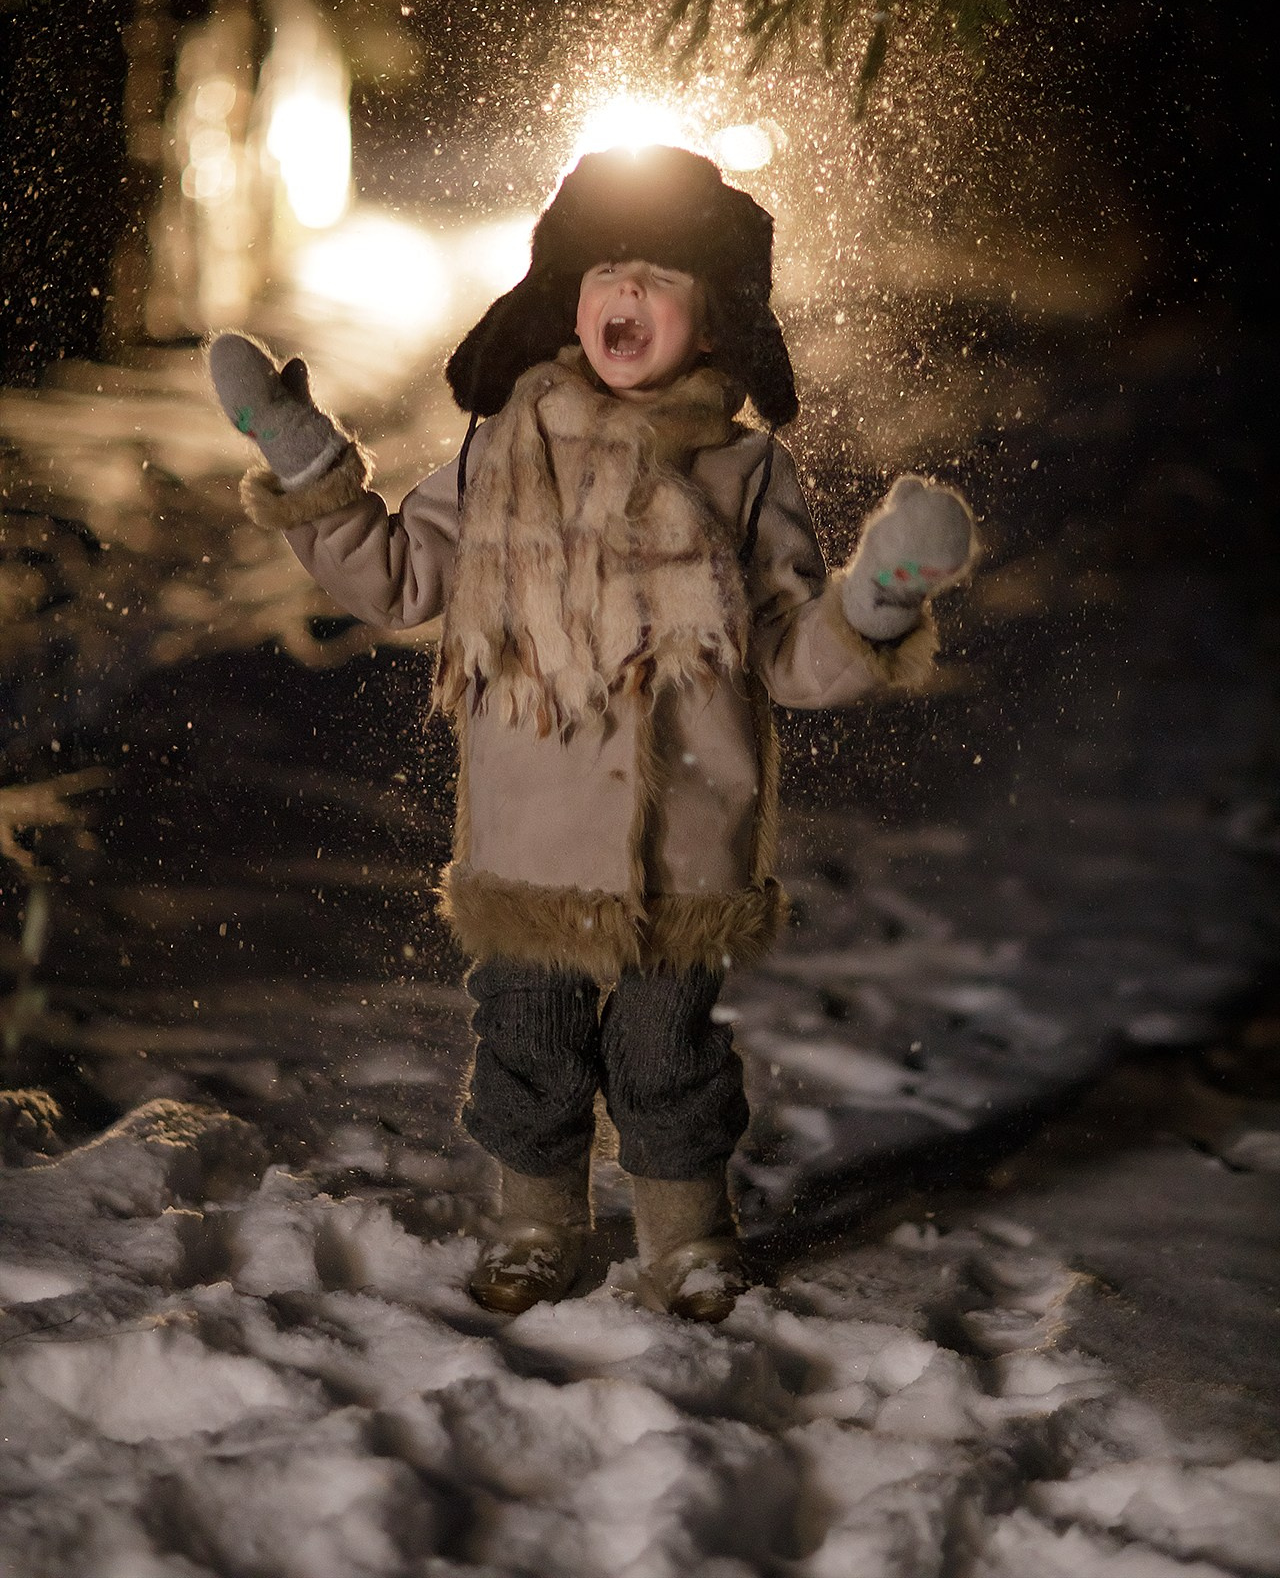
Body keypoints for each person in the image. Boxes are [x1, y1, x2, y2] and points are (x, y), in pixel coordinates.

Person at [208, 144, 976, 1322]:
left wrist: (872, 602)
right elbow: (404, 582)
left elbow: (784, 652)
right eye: (605, 268)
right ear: (563, 295)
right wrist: (308, 464)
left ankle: (687, 1238)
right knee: (528, 1044)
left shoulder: (743, 471)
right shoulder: (503, 449)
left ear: (713, 325)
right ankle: (533, 1226)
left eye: (660, 279)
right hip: (530, 845)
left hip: (687, 848)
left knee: (670, 1056)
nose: (626, 295)